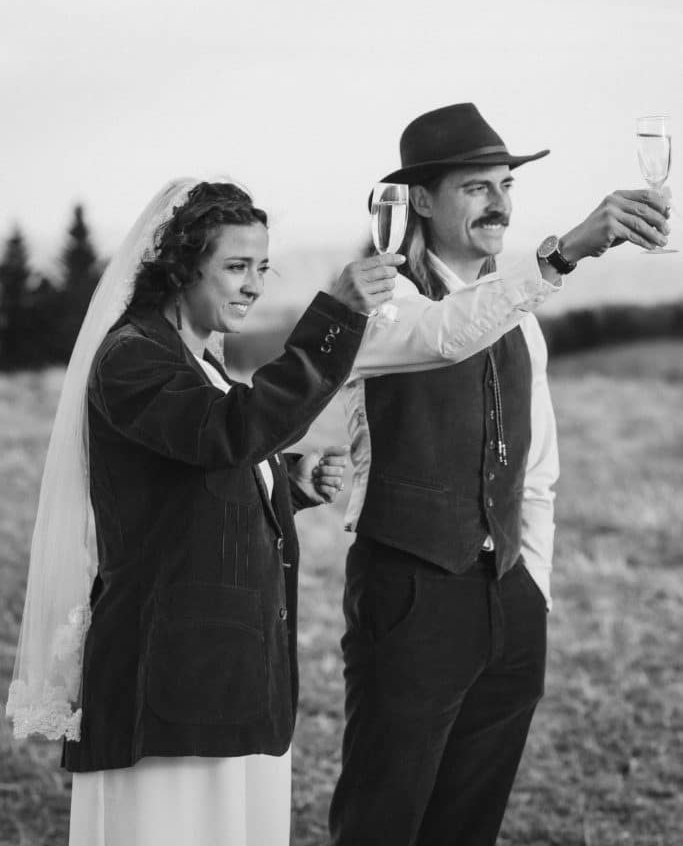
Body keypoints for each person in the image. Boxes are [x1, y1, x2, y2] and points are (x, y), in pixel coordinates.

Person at [6, 178, 404, 846]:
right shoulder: (131, 356)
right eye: (236, 267)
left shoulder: (197, 359)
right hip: (167, 681)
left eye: (261, 267)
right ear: (181, 266)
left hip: (222, 673)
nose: (253, 285)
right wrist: (333, 317)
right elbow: (226, 433)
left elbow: (201, 470)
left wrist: (288, 481)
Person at [329, 103, 671, 846]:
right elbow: (446, 335)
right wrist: (563, 251)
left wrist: (532, 589)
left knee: (468, 819)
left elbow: (537, 464)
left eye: (504, 185)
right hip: (410, 591)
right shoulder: (380, 299)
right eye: (475, 187)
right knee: (383, 817)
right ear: (420, 200)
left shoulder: (520, 307)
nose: (500, 204)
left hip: (507, 599)